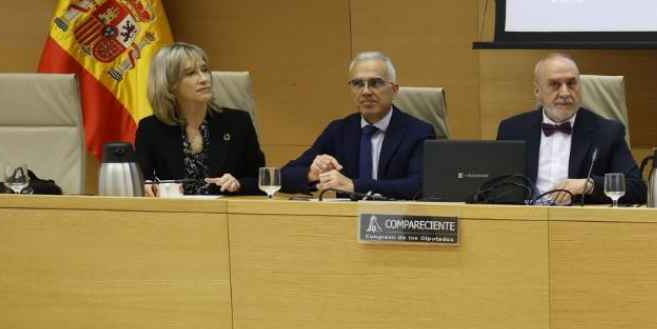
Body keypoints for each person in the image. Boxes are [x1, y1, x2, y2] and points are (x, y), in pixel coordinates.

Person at [280, 51, 435, 199]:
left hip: (396, 221)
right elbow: (284, 176)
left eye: (375, 83)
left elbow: (420, 185)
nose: (366, 91)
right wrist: (313, 174)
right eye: (358, 84)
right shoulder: (339, 130)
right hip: (345, 221)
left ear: (394, 90)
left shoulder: (418, 132)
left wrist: (354, 186)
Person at [494, 53, 644, 205]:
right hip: (525, 221)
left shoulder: (607, 132)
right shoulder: (512, 129)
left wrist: (588, 185)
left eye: (571, 83)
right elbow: (495, 187)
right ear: (537, 91)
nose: (565, 93)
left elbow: (637, 189)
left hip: (580, 221)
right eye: (555, 84)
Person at [133, 42, 265, 195]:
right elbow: (143, 181)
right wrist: (147, 187)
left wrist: (239, 183)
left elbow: (261, 181)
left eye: (204, 70)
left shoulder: (238, 122)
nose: (204, 79)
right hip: (173, 215)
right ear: (169, 84)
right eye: (190, 73)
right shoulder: (150, 129)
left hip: (225, 214)